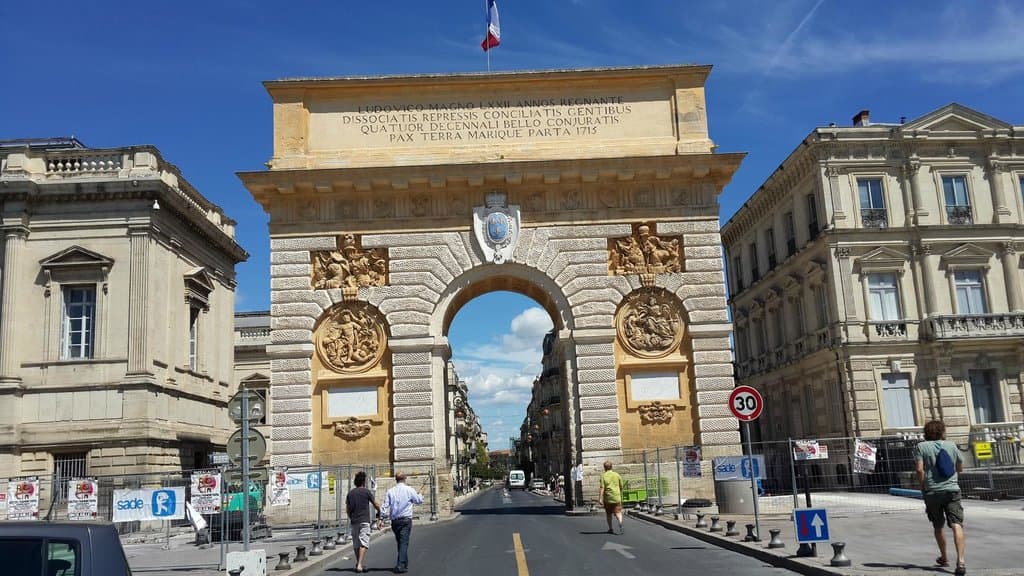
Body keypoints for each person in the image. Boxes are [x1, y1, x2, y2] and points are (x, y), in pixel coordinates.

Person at [914, 420, 966, 575]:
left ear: (926, 433)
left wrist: (922, 485)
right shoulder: (951, 445)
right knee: (957, 524)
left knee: (938, 525)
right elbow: (960, 467)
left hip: (932, 492)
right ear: (943, 431)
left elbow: (919, 469)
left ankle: (944, 557)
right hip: (952, 490)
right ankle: (961, 562)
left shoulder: (921, 447)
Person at [379, 472, 424, 574]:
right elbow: (418, 501)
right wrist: (421, 493)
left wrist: (381, 519)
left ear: (396, 479)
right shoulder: (409, 489)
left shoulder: (390, 491)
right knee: (404, 542)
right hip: (405, 520)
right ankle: (400, 565)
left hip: (395, 521)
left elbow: (385, 506)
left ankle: (404, 563)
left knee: (400, 542)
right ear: (405, 479)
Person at [346, 471, 380, 574]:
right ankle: (360, 564)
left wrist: (351, 517)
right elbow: (375, 504)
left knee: (356, 544)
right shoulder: (366, 492)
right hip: (364, 521)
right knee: (364, 543)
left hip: (354, 521)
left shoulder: (350, 493)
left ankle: (358, 563)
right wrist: (379, 511)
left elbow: (347, 509)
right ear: (364, 482)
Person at [598, 461, 625, 535]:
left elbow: (602, 487)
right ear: (611, 466)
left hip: (608, 498)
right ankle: (620, 522)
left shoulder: (603, 476)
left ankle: (610, 528)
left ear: (604, 468)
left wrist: (600, 498)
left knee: (609, 513)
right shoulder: (617, 475)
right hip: (616, 496)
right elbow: (621, 486)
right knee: (618, 512)